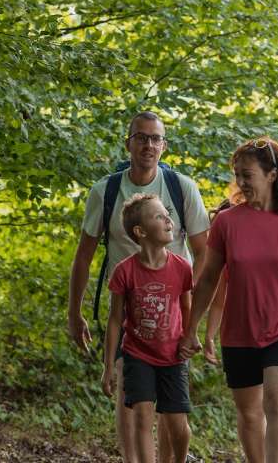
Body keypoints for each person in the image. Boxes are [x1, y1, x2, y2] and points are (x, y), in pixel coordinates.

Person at [68, 111, 209, 463]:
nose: (148, 144)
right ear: (128, 143)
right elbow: (83, 256)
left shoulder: (181, 188)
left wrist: (194, 319)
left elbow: (205, 253)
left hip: (172, 310)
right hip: (128, 306)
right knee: (129, 395)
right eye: (141, 137)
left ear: (164, 145)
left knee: (171, 407)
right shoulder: (106, 191)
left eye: (155, 138)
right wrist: (74, 312)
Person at [179, 137, 278, 463]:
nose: (241, 182)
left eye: (247, 174)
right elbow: (209, 278)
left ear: (272, 175)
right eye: (237, 175)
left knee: (277, 403)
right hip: (240, 332)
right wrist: (192, 328)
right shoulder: (226, 222)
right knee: (249, 414)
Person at [102, 194, 193, 463]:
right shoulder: (124, 271)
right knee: (142, 416)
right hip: (137, 354)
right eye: (159, 216)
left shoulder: (182, 268)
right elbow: (115, 320)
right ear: (140, 232)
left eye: (167, 215)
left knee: (178, 425)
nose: (168, 220)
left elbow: (187, 308)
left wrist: (190, 337)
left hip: (173, 356)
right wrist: (108, 366)